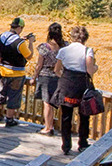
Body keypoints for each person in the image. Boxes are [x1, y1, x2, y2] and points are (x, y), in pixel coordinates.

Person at [51, 25, 98, 155]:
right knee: (84, 115)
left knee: (66, 116)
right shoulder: (87, 50)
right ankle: (82, 143)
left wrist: (65, 77)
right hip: (82, 86)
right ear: (85, 38)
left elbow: (56, 70)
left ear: (73, 37)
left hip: (66, 85)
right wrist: (95, 68)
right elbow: (89, 70)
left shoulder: (64, 50)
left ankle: (66, 145)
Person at [0, 17, 35, 127]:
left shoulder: (2, 36)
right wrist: (30, 42)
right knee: (13, 97)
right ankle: (9, 119)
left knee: (0, 94)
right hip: (16, 74)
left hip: (2, 72)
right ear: (19, 27)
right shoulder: (20, 43)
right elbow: (29, 55)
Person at [31, 22, 66, 135]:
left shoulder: (44, 47)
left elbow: (39, 65)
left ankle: (48, 127)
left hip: (45, 76)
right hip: (60, 76)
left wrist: (33, 77)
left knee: (47, 103)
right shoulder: (65, 46)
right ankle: (58, 127)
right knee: (58, 102)